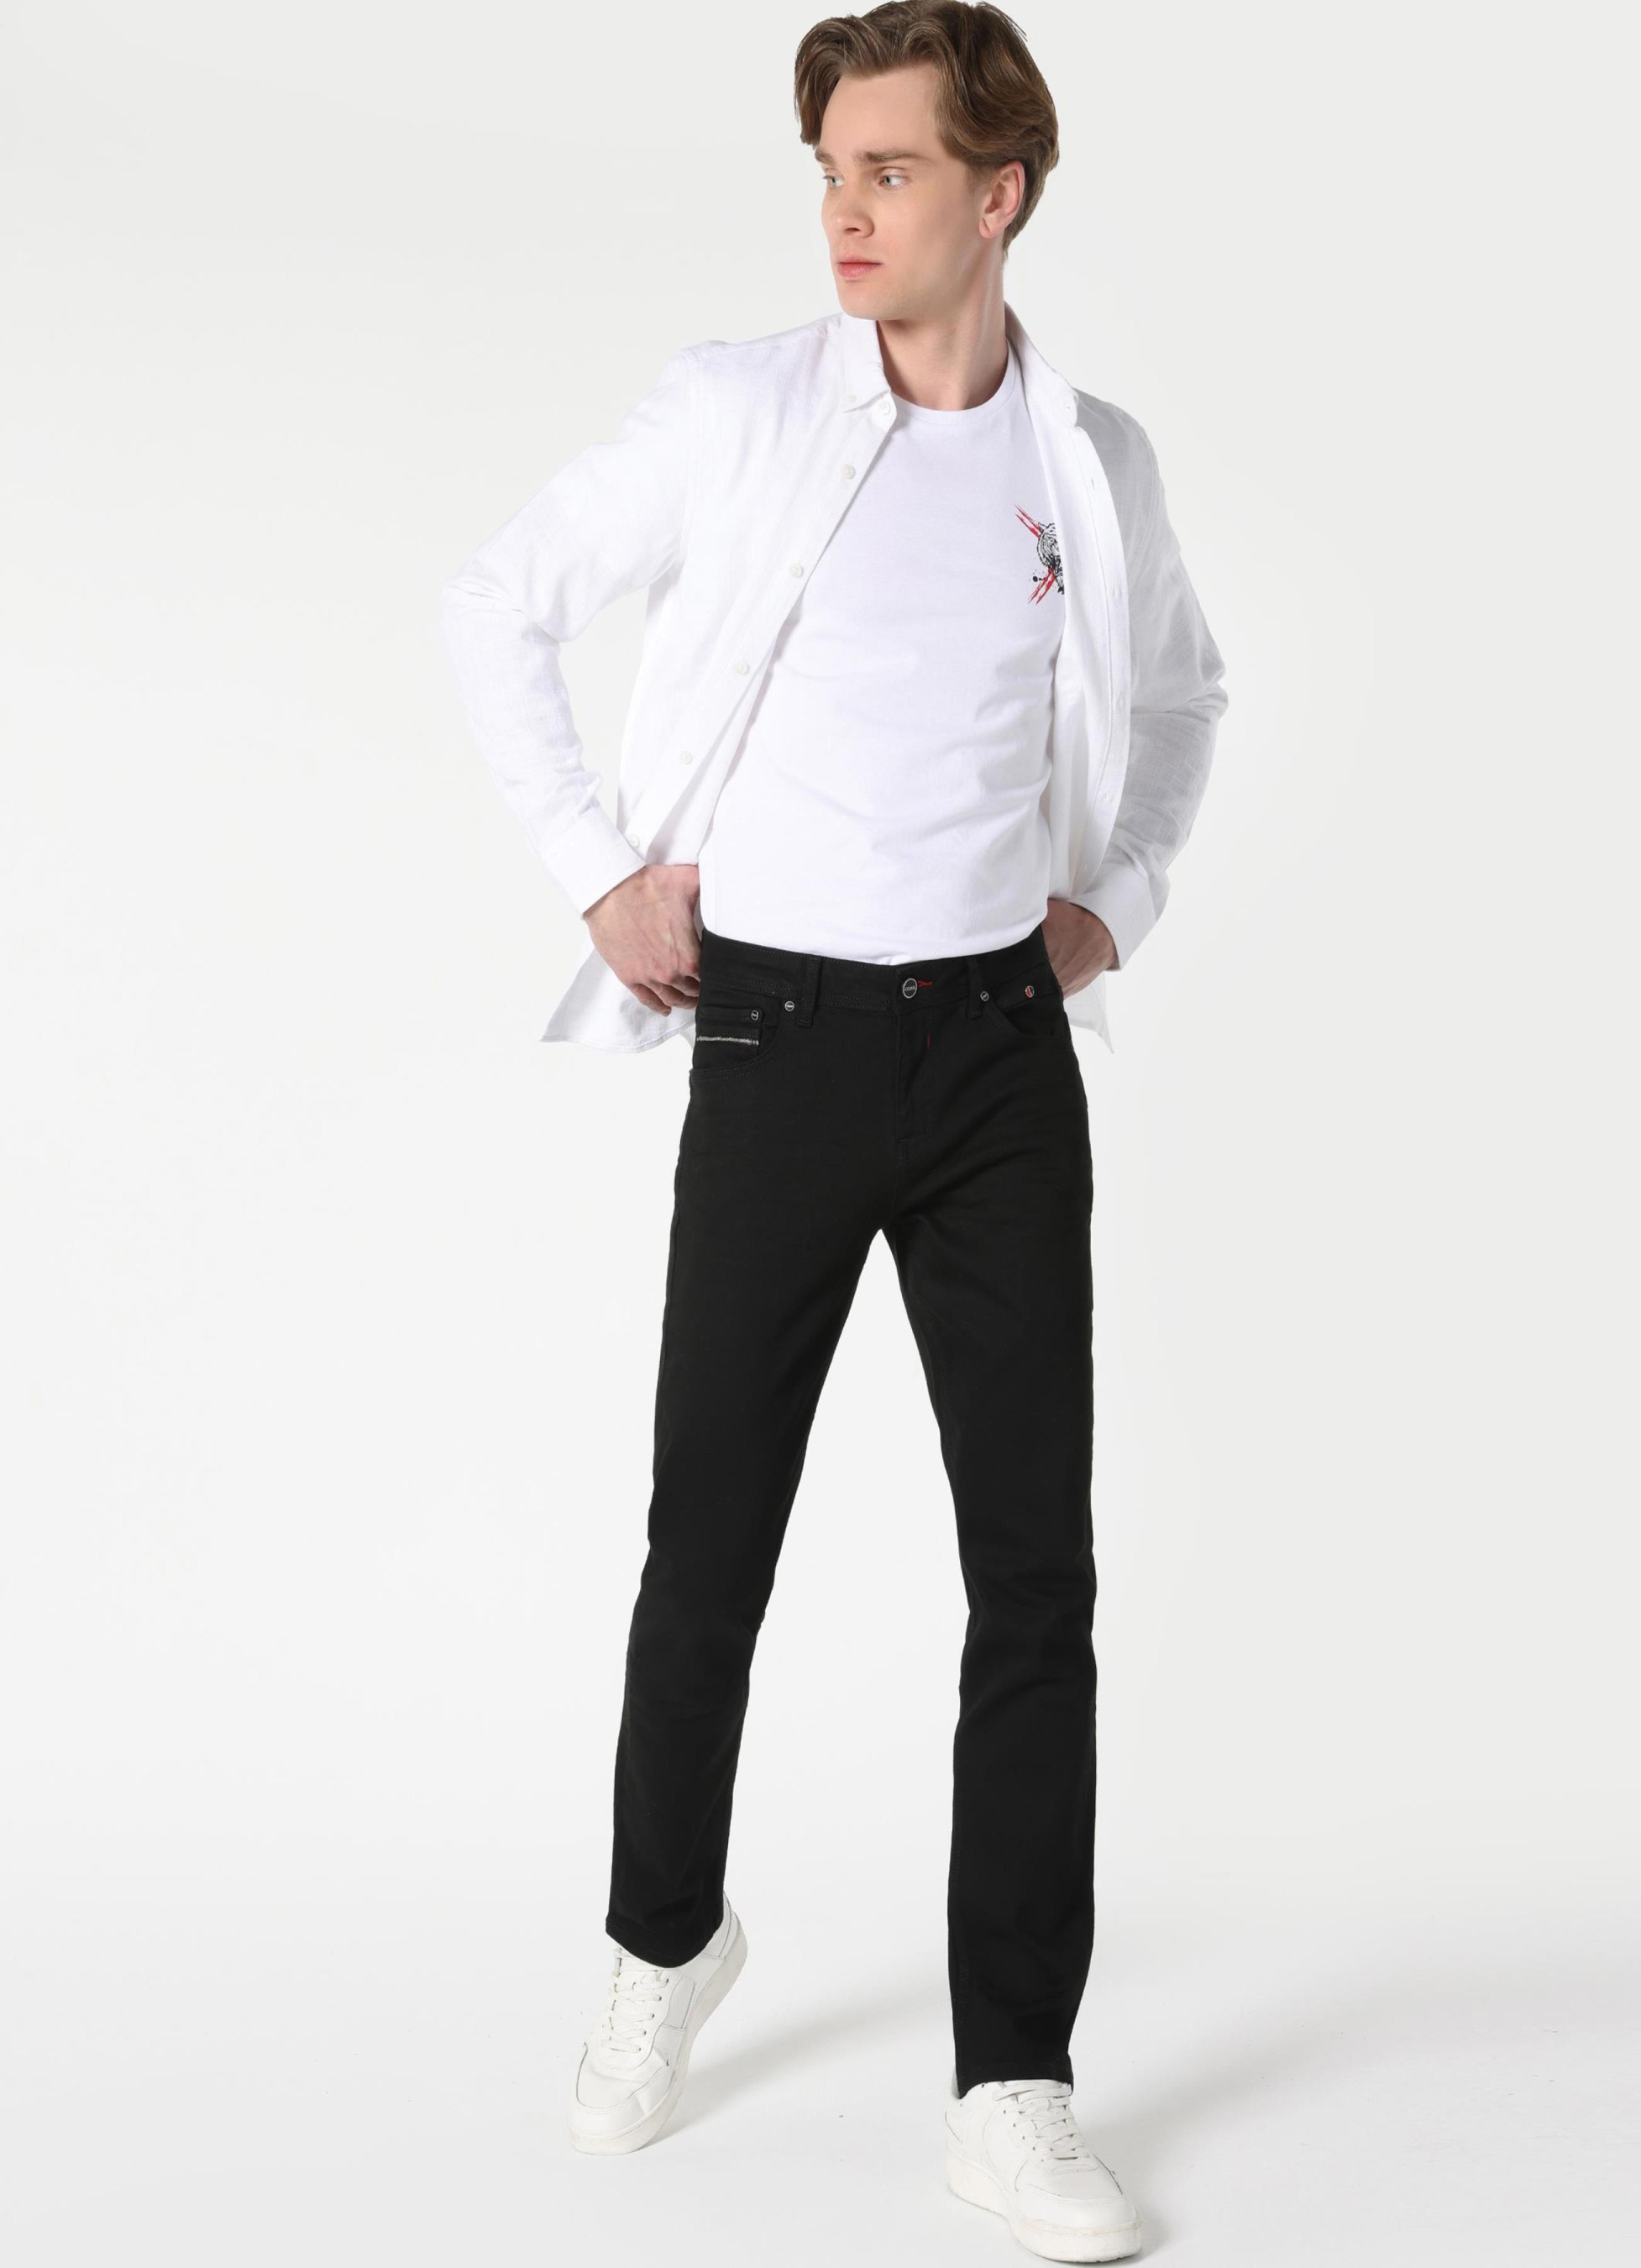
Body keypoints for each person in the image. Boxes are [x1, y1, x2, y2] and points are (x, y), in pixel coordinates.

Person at [438, 4, 1227, 2256]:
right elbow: (496, 602)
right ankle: (660, 1944)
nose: (845, 213)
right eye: (828, 171)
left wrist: (1114, 898)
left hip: (996, 1061)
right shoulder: (738, 412)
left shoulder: (1089, 460)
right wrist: (601, 868)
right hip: (776, 1041)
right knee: (710, 1544)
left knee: (1035, 1581)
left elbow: (1183, 695)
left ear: (1000, 191)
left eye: (890, 170)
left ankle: (1014, 2082)